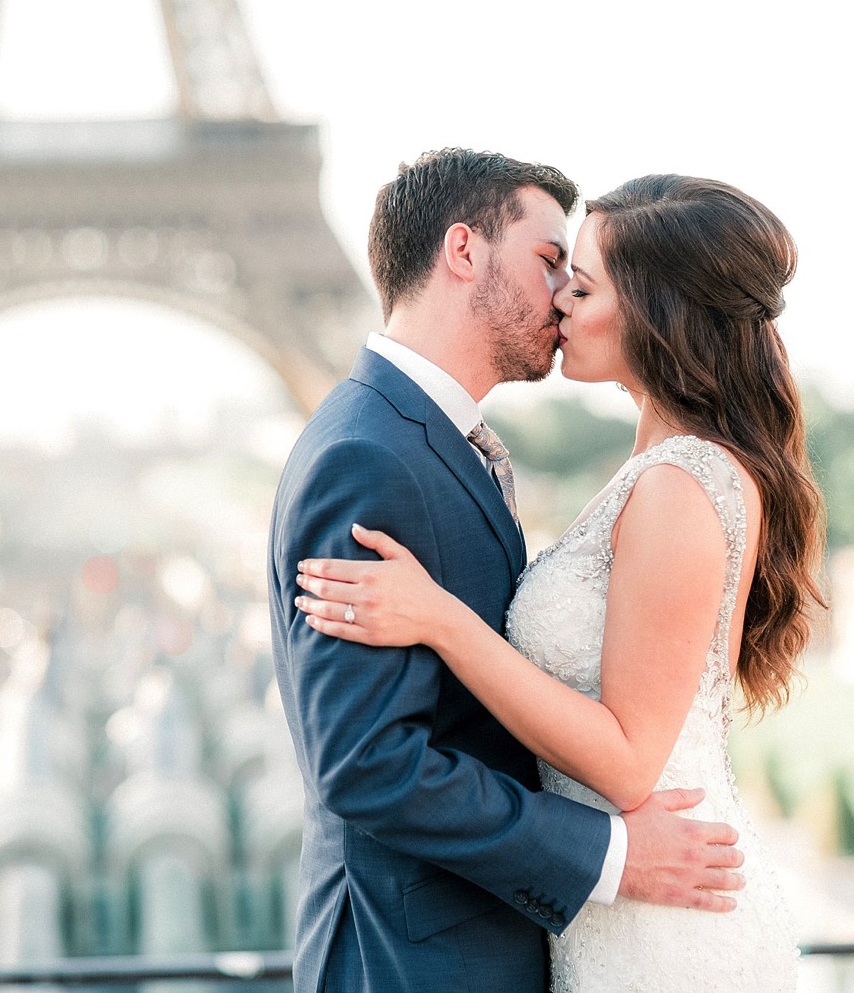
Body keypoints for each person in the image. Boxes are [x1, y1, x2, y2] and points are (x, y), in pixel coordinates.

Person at [294, 173, 826, 990]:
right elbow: (368, 759)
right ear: (462, 249)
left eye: (579, 282)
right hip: (612, 902)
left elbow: (626, 761)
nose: (560, 302)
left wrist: (442, 620)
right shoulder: (653, 473)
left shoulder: (680, 485)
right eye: (555, 268)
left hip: (660, 909)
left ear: (656, 309)